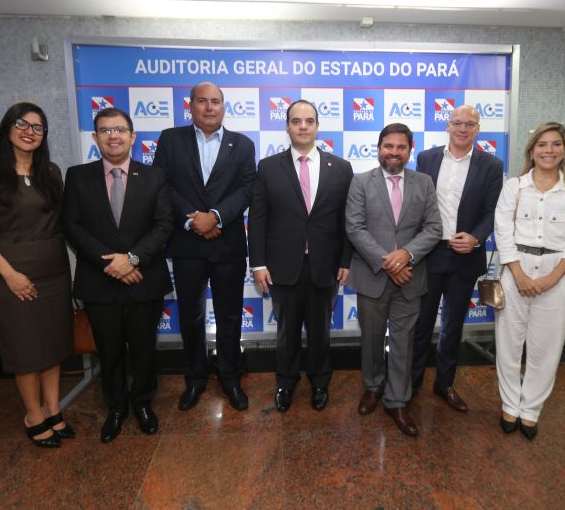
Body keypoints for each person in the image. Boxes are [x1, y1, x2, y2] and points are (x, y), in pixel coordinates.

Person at [0, 102, 73, 448]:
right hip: (14, 275)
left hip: (54, 272)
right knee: (27, 350)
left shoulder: (51, 172)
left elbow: (63, 222)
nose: (29, 131)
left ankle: (54, 410)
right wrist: (10, 275)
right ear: (7, 128)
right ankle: (33, 415)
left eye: (37, 127)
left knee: (53, 345)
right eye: (22, 124)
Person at [63, 107, 174, 443]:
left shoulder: (154, 176)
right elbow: (71, 225)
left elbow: (164, 225)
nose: (113, 135)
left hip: (144, 280)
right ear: (95, 138)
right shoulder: (78, 176)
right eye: (105, 130)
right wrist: (110, 263)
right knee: (108, 351)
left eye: (120, 130)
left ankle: (142, 403)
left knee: (143, 349)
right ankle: (115, 407)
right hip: (100, 282)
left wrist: (134, 259)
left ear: (132, 136)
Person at [154, 82, 256, 411]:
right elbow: (162, 184)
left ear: (223, 107)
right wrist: (193, 220)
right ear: (191, 106)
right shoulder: (171, 139)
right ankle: (195, 378)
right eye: (202, 101)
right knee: (191, 316)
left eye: (215, 102)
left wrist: (215, 217)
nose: (209, 107)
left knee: (229, 316)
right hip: (187, 244)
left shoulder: (242, 144)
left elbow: (247, 189)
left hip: (227, 246)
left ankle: (230, 376)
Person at [248, 100, 353, 412]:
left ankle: (320, 382)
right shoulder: (268, 167)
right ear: (288, 127)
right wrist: (258, 263)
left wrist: (346, 261)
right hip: (282, 266)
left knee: (321, 330)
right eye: (296, 121)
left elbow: (349, 219)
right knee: (286, 331)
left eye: (309, 121)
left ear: (318, 126)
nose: (303, 126)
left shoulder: (341, 167)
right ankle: (286, 383)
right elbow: (257, 218)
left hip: (326, 265)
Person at [494, 121, 565, 440]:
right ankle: (510, 405)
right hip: (515, 271)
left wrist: (550, 278)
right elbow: (503, 232)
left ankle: (530, 410)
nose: (549, 150)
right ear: (531, 151)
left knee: (545, 350)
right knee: (509, 345)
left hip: (557, 276)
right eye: (542, 145)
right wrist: (520, 275)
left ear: (564, 150)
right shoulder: (515, 187)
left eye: (555, 144)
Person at [345, 123, 441, 437]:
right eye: (388, 146)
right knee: (371, 339)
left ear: (410, 150)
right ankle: (372, 386)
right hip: (374, 275)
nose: (394, 153)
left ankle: (397, 399)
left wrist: (406, 256)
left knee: (404, 342)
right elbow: (355, 228)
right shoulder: (360, 182)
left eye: (401, 147)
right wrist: (389, 262)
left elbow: (433, 229)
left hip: (410, 277)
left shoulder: (424, 183)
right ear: (379, 148)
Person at [411, 105, 503, 412]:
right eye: (457, 123)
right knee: (421, 324)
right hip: (429, 254)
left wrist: (476, 237)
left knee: (452, 327)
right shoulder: (426, 158)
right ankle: (410, 384)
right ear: (447, 126)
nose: (463, 129)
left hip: (465, 257)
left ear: (478, 129)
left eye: (470, 124)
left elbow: (493, 211)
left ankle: (444, 384)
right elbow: (417, 205)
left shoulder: (491, 165)